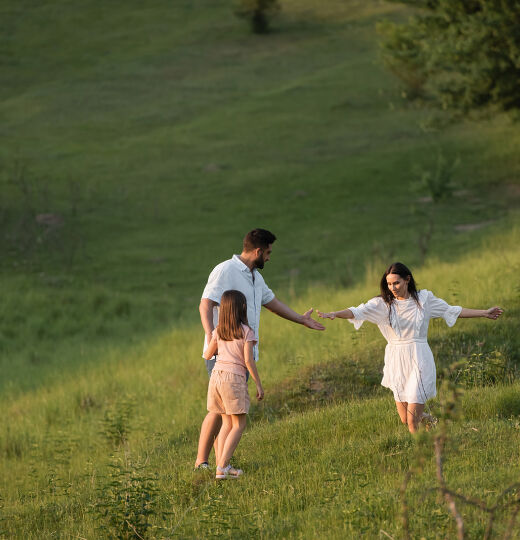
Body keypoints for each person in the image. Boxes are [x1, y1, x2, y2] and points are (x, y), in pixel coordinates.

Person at [317, 262, 503, 433]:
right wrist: (335, 313)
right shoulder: (383, 304)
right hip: (396, 360)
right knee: (405, 419)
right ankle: (435, 424)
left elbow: (451, 310)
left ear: (407, 280)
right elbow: (357, 311)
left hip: (419, 357)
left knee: (413, 421)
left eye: (396, 283)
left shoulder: (424, 300)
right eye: (389, 284)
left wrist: (484, 313)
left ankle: (423, 456)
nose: (392, 288)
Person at [194, 228, 325, 469]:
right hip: (221, 354)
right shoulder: (226, 270)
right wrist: (213, 338)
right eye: (267, 252)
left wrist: (300, 319)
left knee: (227, 410)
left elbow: (272, 303)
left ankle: (220, 463)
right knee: (222, 410)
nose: (269, 257)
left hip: (243, 355)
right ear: (257, 250)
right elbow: (205, 305)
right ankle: (204, 462)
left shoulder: (256, 277)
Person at [202, 290, 263, 479]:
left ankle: (223, 466)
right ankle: (222, 467)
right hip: (233, 379)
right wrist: (258, 384)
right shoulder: (246, 332)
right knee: (239, 424)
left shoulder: (219, 330)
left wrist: (215, 338)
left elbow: (207, 354)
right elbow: (248, 361)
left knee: (226, 422)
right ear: (242, 308)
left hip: (216, 378)